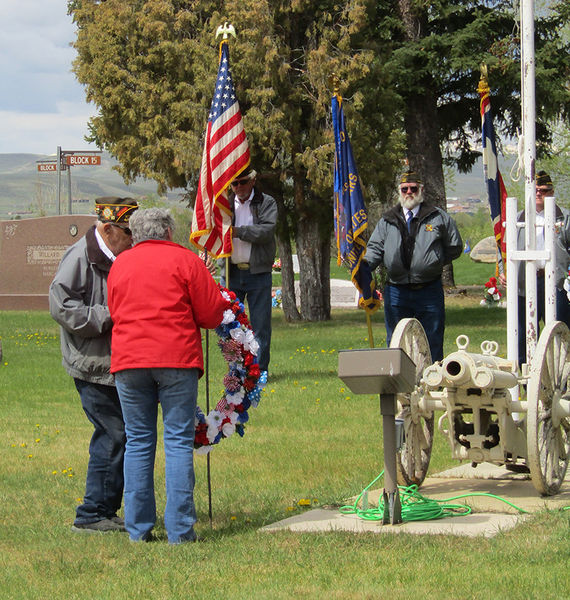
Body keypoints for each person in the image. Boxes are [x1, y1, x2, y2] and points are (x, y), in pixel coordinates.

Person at [107, 207, 229, 544]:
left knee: (139, 442)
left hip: (130, 361)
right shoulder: (187, 262)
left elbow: (114, 311)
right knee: (176, 441)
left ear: (135, 234)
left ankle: (138, 529)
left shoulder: (120, 265)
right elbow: (208, 314)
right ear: (168, 232)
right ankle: (179, 531)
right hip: (176, 359)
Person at [49, 196, 138, 533]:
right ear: (109, 228)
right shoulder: (79, 257)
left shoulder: (120, 255)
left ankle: (105, 508)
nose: (132, 239)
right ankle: (91, 514)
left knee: (121, 434)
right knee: (113, 433)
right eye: (128, 232)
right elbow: (62, 306)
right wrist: (107, 316)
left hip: (114, 362)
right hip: (90, 363)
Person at [364, 171, 463, 362]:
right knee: (396, 341)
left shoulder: (438, 217)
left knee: (432, 340)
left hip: (429, 291)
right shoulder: (387, 220)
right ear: (399, 192)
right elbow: (375, 248)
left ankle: (433, 383)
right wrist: (365, 267)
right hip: (396, 291)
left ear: (421, 190)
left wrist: (434, 261)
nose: (409, 192)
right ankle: (400, 387)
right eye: (405, 189)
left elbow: (454, 246)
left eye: (413, 188)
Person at [499, 170, 570, 367]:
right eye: (536, 190)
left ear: (552, 192)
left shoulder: (565, 217)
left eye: (544, 191)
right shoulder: (519, 217)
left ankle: (559, 380)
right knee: (523, 335)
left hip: (556, 284)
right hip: (524, 284)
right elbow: (503, 248)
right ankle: (526, 378)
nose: (539, 194)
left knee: (557, 331)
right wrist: (502, 270)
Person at [219, 167, 277, 384]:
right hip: (231, 273)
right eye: (234, 184)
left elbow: (266, 231)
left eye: (243, 182)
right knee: (230, 325)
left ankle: (260, 371)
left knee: (261, 326)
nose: (239, 187)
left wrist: (237, 231)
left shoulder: (266, 202)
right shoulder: (223, 205)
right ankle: (235, 371)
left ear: (253, 180)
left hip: (258, 272)